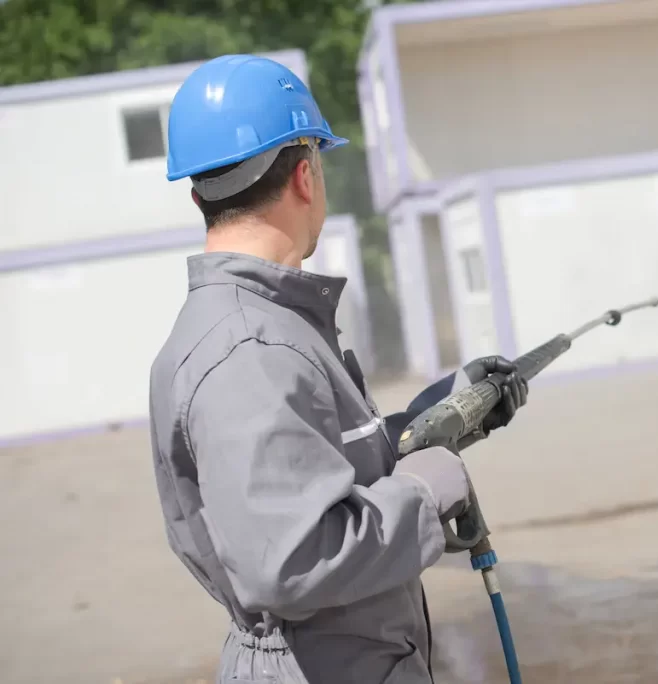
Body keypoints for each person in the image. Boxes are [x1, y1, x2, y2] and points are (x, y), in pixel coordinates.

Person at [148, 54, 529, 684]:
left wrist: (442, 414)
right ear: (305, 174)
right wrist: (426, 492)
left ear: (197, 195)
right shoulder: (252, 350)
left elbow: (316, 465)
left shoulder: (263, 327)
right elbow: (294, 558)